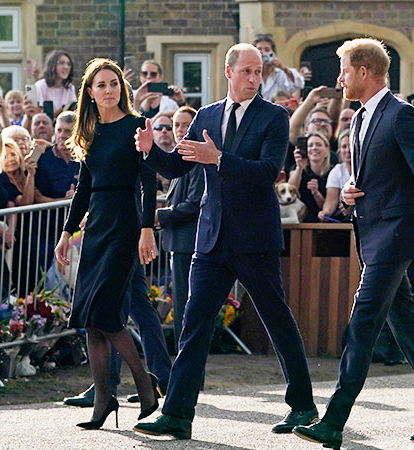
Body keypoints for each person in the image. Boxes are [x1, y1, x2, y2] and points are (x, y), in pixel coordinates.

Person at [132, 43, 316, 440]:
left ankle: (303, 406)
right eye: (247, 71)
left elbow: (268, 171)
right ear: (229, 72)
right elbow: (179, 165)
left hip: (255, 240)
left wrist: (218, 159)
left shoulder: (274, 117)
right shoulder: (208, 114)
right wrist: (150, 153)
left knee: (277, 320)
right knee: (194, 326)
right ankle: (178, 413)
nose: (254, 78)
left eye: (259, 72)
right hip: (212, 240)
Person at [292, 38, 414, 450]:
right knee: (409, 329)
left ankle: (334, 421)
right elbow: (379, 176)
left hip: (395, 238)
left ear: (365, 72)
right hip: (372, 234)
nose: (340, 79)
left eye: (345, 71)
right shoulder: (357, 119)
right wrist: (353, 191)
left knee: (361, 325)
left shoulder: (402, 115)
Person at [53, 57, 159, 429]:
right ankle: (104, 399)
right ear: (90, 92)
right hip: (96, 225)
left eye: (114, 83)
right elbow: (84, 187)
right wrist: (67, 233)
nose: (109, 89)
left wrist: (147, 228)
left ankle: (145, 385)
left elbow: (149, 182)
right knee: (90, 319)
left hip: (125, 224)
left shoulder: (136, 126)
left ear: (121, 89)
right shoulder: (91, 132)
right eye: (101, 84)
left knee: (108, 314)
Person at [155, 105, 203, 341]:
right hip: (179, 243)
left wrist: (160, 216)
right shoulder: (180, 157)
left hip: (189, 243)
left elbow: (193, 204)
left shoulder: (195, 159)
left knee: (186, 305)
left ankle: (188, 366)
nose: (181, 130)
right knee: (182, 304)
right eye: (177, 125)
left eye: (186, 125)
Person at [288, 132, 331, 222]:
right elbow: (290, 192)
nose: (314, 148)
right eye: (310, 145)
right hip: (301, 218)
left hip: (324, 220)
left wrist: (316, 194)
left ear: (327, 149)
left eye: (318, 145)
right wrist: (299, 168)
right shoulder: (298, 169)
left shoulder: (333, 171)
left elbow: (329, 207)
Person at [253, 34, 304, 101]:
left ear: (273, 53)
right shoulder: (251, 74)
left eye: (267, 50)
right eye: (259, 49)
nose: (263, 53)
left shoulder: (280, 73)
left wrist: (283, 67)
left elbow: (298, 84)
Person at [319, 130, 351, 221]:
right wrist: (325, 212)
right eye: (344, 146)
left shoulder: (367, 168)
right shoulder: (337, 170)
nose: (348, 150)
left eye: (351, 145)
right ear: (339, 151)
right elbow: (331, 202)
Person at [35, 50, 76, 117]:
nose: (66, 67)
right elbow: (39, 114)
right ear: (52, 65)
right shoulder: (40, 86)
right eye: (61, 63)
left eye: (69, 64)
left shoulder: (70, 88)